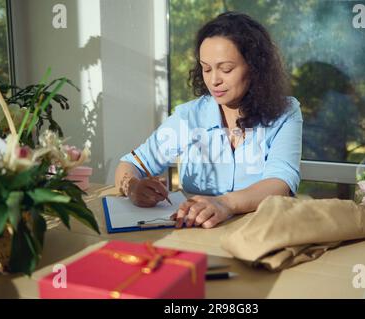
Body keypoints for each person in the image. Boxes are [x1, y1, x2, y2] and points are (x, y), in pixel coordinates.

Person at [115, 12, 303, 229]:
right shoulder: (189, 117)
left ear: (254, 67)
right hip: (194, 235)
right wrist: (133, 188)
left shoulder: (285, 113)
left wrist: (225, 203)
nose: (214, 80)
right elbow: (129, 164)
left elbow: (280, 184)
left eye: (226, 69)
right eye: (206, 68)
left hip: (259, 236)